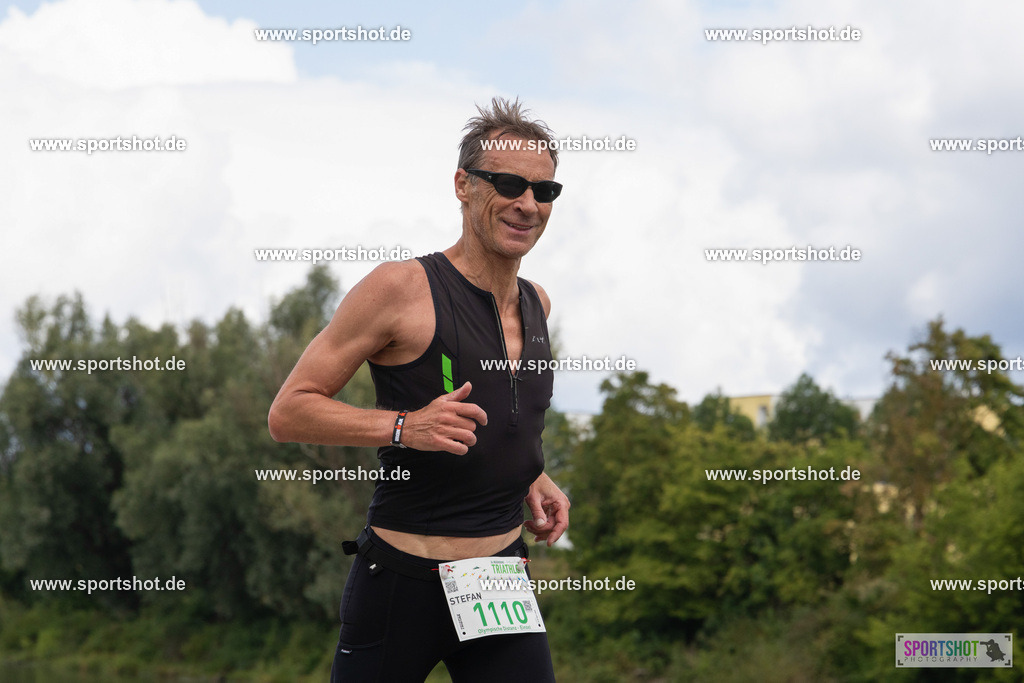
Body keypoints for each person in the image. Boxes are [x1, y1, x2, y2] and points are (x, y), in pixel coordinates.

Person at [268, 96, 569, 682]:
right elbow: (289, 412)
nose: (528, 204)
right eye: (509, 184)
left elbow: (503, 418)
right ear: (463, 184)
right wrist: (404, 426)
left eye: (545, 191)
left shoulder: (538, 304)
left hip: (497, 578)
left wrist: (530, 471)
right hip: (402, 582)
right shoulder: (401, 289)